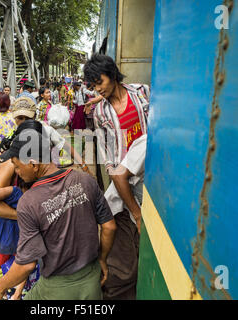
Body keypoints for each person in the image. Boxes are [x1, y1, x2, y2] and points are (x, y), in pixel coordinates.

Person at [0, 129, 116, 300]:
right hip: (91, 281)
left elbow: (27, 264)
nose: (16, 172)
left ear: (33, 164)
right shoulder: (85, 180)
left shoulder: (29, 202)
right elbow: (109, 226)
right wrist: (103, 260)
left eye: (17, 166)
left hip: (55, 288)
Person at [83, 53, 150, 299]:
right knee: (123, 227)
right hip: (124, 176)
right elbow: (106, 150)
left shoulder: (142, 92)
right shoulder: (100, 111)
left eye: (99, 82)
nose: (97, 89)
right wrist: (115, 175)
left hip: (148, 170)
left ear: (112, 74)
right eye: (93, 85)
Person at [0, 177, 32, 300]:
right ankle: (16, 294)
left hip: (2, 239)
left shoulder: (14, 191)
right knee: (22, 266)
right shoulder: (32, 199)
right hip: (19, 239)